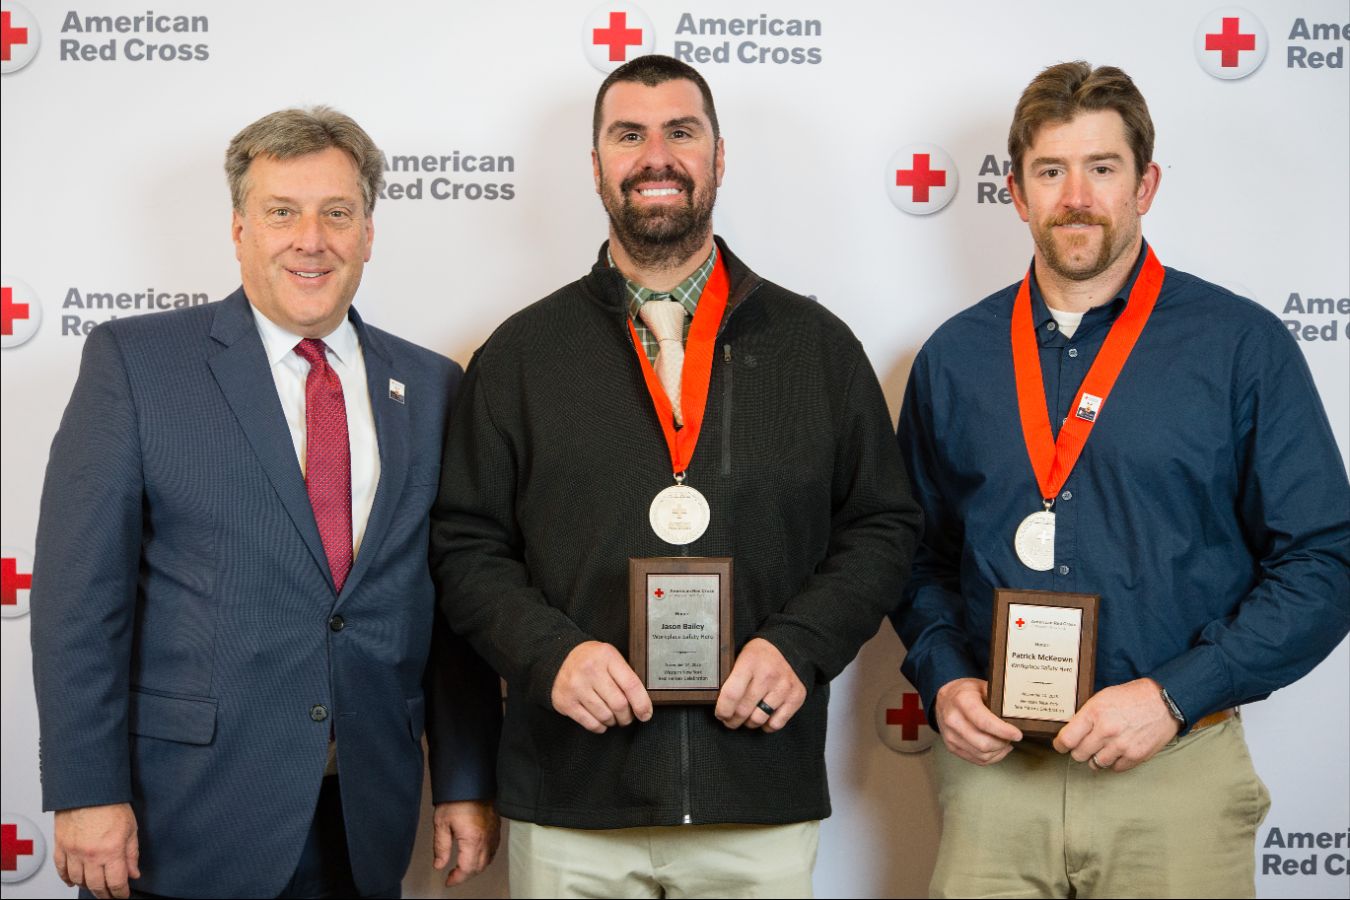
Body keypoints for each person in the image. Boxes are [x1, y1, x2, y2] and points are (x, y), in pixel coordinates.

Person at [431, 55, 920, 899]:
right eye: (629, 135)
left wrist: (798, 646)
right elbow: (466, 546)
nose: (656, 156)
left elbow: (882, 525)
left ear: (718, 157)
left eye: (681, 132)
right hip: (572, 803)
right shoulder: (520, 355)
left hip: (755, 801)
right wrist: (551, 655)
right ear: (595, 166)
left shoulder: (816, 348)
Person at [892, 61, 1350, 898]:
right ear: (1016, 193)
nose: (1076, 197)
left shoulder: (1240, 347)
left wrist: (1173, 697)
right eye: (1050, 171)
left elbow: (1325, 562)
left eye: (1102, 168)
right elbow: (914, 557)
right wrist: (944, 673)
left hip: (1175, 775)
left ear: (1146, 185)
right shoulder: (954, 358)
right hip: (997, 785)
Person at [30, 106, 503, 899]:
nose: (310, 240)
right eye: (282, 212)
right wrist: (85, 790)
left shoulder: (431, 387)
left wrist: (464, 778)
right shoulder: (136, 365)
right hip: (184, 820)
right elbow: (80, 602)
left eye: (336, 214)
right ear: (239, 229)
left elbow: (451, 607)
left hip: (363, 818)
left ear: (368, 233)